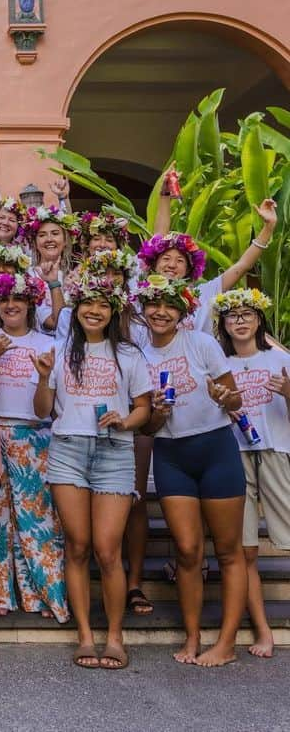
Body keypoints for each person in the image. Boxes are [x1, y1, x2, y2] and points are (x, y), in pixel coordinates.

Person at [33, 274, 152, 670]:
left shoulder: (130, 355)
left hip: (114, 451)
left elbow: (144, 408)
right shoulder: (58, 350)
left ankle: (115, 636)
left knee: (107, 549)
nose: (94, 311)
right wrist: (42, 377)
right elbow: (41, 410)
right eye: (87, 304)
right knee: (78, 545)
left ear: (113, 310)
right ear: (76, 308)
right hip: (67, 449)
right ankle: (85, 634)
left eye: (103, 305)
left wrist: (126, 420)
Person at [139, 275, 245, 667]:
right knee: (186, 550)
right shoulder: (137, 355)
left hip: (216, 448)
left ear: (182, 311)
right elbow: (147, 428)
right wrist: (157, 416)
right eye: (153, 304)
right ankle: (193, 636)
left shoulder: (201, 343)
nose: (160, 312)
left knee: (230, 552)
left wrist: (224, 395)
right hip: (170, 454)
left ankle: (227, 642)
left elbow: (233, 397)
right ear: (143, 309)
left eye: (169, 305)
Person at [0, 272, 69, 624]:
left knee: (38, 521)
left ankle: (43, 594)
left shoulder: (48, 344)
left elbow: (45, 406)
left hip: (33, 436)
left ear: (31, 304)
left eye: (18, 299)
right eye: (4, 300)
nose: (11, 305)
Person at [215, 288, 290, 659]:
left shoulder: (280, 358)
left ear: (259, 319)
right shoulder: (218, 363)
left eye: (246, 314)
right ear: (223, 325)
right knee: (244, 552)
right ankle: (263, 631)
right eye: (232, 316)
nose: (240, 320)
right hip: (234, 456)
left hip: (276, 451)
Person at [139, 198, 278, 334]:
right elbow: (158, 237)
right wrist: (165, 195)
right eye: (166, 258)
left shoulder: (204, 295)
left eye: (180, 261)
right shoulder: (139, 293)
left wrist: (268, 227)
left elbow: (243, 266)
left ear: (189, 269)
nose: (172, 265)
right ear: (154, 263)